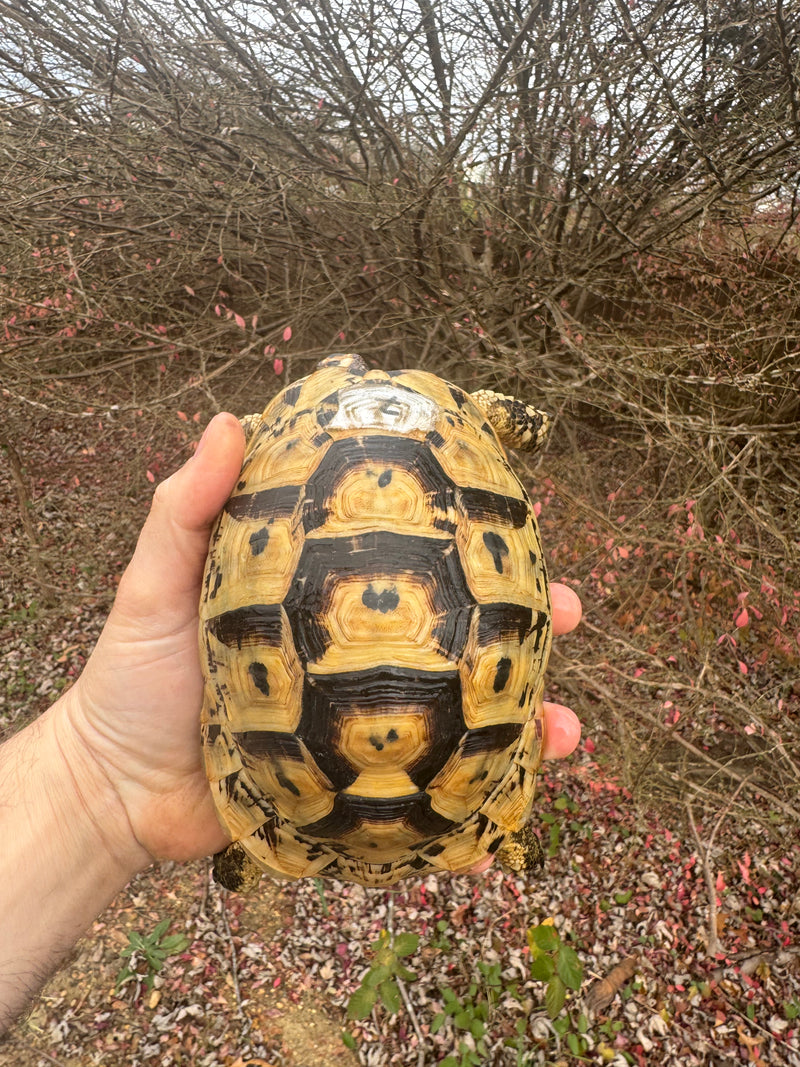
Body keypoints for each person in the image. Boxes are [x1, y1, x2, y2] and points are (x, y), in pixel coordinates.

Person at [0, 413, 582, 1032]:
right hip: (455, 797)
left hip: (291, 791)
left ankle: (271, 836)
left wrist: (97, 777)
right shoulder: (465, 423)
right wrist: (97, 775)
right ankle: (498, 827)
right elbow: (529, 433)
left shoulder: (278, 432)